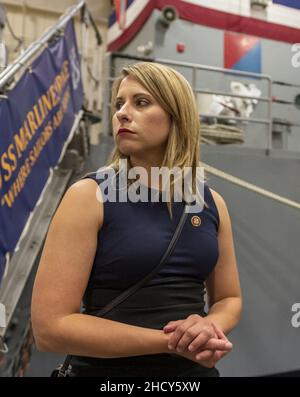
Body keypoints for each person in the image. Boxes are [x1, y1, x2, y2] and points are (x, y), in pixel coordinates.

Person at [31, 62, 242, 377]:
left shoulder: (212, 203)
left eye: (140, 102)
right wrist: (172, 342)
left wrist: (208, 326)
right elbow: (51, 328)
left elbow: (229, 297)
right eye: (119, 104)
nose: (121, 113)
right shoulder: (88, 196)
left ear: (177, 115)